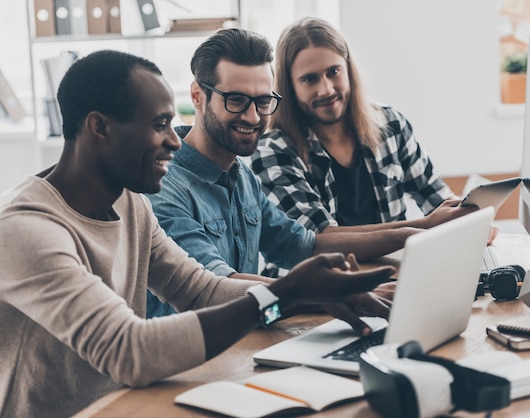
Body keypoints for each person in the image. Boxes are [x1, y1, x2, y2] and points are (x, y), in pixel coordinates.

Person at [0, 49, 396, 418]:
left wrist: (309, 293)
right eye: (159, 125)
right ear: (99, 127)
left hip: (128, 404)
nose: (175, 141)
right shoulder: (25, 229)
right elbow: (130, 350)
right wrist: (284, 293)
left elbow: (201, 292)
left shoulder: (130, 203)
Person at [145, 28, 428, 317]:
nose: (253, 117)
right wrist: (325, 295)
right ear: (197, 96)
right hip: (193, 359)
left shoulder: (242, 175)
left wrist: (411, 232)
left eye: (263, 101)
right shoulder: (162, 185)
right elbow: (214, 289)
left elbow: (303, 245)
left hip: (245, 343)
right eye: (236, 100)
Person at [249, 17, 491, 240]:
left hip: (393, 275)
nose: (326, 90)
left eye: (333, 72)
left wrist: (469, 221)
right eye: (310, 79)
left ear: (348, 69)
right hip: (317, 286)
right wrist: (425, 225)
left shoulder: (390, 124)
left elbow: (435, 196)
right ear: (289, 86)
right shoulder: (274, 150)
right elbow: (320, 238)